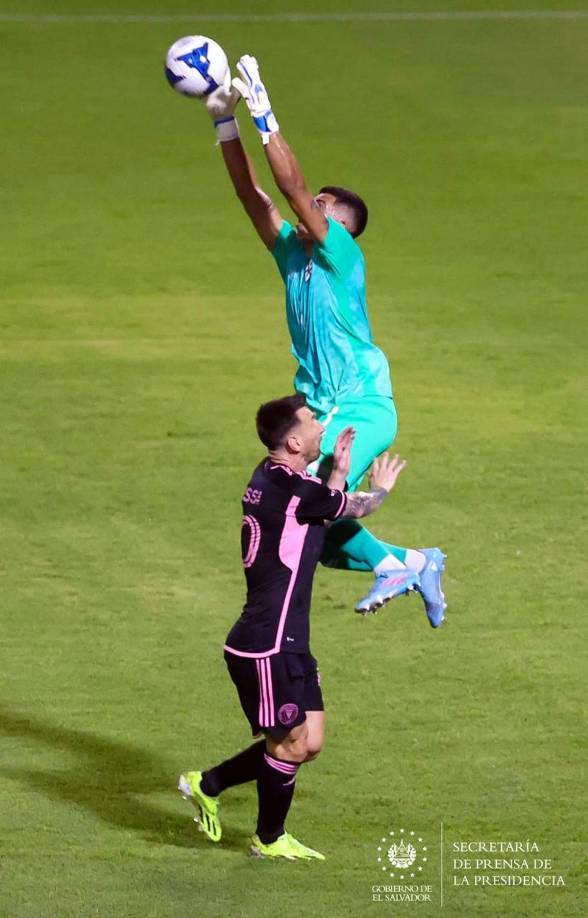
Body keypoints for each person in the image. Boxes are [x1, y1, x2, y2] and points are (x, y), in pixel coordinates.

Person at [196, 53, 446, 625]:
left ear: (337, 223)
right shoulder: (292, 253)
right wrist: (223, 123)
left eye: (321, 205)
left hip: (359, 406)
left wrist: (264, 114)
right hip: (320, 409)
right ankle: (410, 561)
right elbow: (251, 196)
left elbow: (289, 186)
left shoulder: (341, 255)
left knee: (294, 509)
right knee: (322, 534)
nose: (309, 206)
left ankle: (393, 569)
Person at [179, 394, 410, 860]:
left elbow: (315, 517)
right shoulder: (293, 490)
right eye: (312, 421)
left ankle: (207, 784)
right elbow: (355, 508)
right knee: (288, 745)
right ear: (292, 439)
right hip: (265, 645)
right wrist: (379, 488)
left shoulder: (276, 479)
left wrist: (339, 472)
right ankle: (268, 839)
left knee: (309, 742)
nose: (321, 426)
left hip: (288, 640)